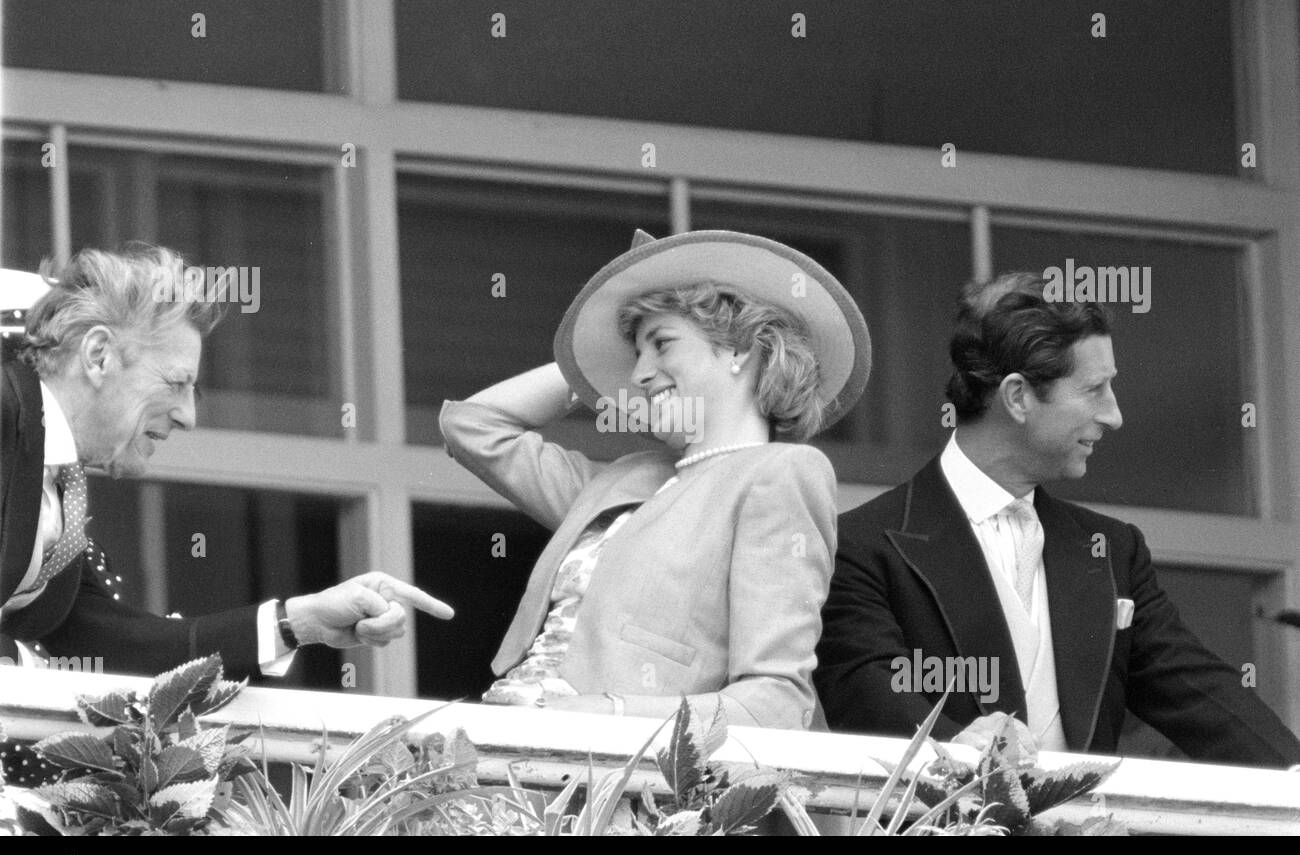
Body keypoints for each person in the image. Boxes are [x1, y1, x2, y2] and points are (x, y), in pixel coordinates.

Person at [815, 271, 1300, 767]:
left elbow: (1197, 689)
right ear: (1018, 396)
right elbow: (865, 693)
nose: (1114, 415)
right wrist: (958, 750)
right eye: (1094, 389)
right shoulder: (859, 545)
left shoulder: (1113, 549)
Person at [439, 229, 871, 729]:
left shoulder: (782, 472)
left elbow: (774, 703)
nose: (639, 374)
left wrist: (616, 712)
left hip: (611, 760)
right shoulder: (624, 479)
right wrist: (587, 371)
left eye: (662, 344)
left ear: (740, 349)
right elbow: (471, 427)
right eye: (635, 356)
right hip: (509, 727)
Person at [0, 247, 453, 680]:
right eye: (176, 383)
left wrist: (299, 621)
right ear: (99, 356)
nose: (188, 417)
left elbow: (116, 645)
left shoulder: (56, 482)